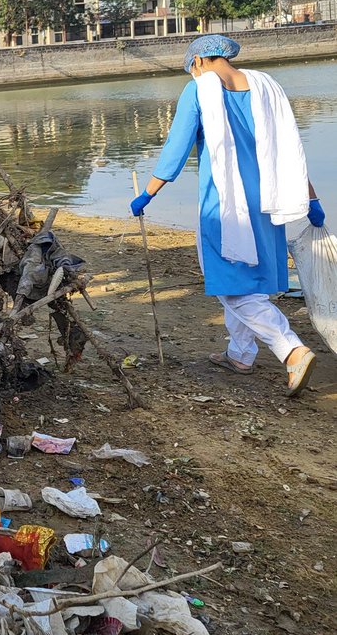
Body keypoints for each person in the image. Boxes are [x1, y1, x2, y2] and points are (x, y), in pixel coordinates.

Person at [131, 34, 323, 395]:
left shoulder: (200, 90)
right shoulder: (267, 87)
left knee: (231, 284)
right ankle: (241, 354)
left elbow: (176, 148)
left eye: (191, 70)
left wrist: (147, 193)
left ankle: (291, 350)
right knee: (247, 278)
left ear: (200, 62)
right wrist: (311, 198)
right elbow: (288, 150)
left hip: (226, 203)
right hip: (269, 200)